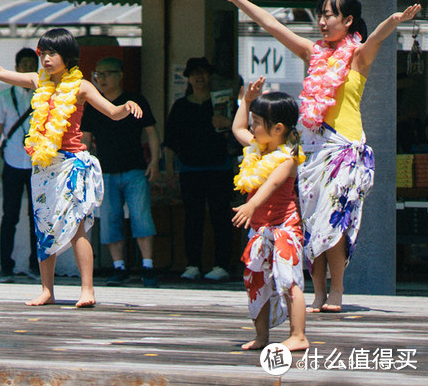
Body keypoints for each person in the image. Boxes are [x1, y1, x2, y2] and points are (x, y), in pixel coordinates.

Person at [210, 0, 419, 312]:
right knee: (312, 223)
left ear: (348, 21)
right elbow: (272, 24)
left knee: (332, 221)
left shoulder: (357, 57)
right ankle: (318, 292)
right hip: (312, 150)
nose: (322, 22)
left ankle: (336, 291)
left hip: (344, 150)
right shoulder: (312, 52)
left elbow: (376, 37)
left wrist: (394, 21)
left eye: (330, 15)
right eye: (320, 14)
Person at [0, 27, 142, 308]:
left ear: (67, 56)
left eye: (52, 53)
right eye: (43, 53)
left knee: (76, 227)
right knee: (44, 227)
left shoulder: (82, 86)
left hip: (71, 163)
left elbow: (112, 112)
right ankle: (47, 289)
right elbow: (0, 72)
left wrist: (128, 106)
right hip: (43, 164)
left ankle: (87, 289)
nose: (46, 59)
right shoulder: (38, 82)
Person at [231, 77, 309, 352]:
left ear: (277, 129)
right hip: (260, 230)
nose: (251, 128)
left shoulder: (287, 159)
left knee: (289, 281)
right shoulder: (257, 148)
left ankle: (298, 335)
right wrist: (247, 100)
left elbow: (272, 184)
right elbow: (236, 127)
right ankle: (262, 336)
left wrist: (251, 206)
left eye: (257, 123)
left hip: (284, 228)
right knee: (257, 281)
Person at [81, 56, 161, 287]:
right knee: (110, 220)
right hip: (105, 172)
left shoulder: (135, 101)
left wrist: (154, 161)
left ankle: (148, 266)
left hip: (135, 169)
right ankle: (119, 267)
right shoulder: (94, 104)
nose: (101, 79)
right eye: (98, 74)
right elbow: (86, 139)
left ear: (120, 75)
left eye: (106, 74)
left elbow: (151, 133)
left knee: (141, 217)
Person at [164, 57, 235, 282]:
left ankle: (222, 264)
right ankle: (192, 264)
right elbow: (170, 142)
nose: (199, 77)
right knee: (192, 218)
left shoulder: (224, 103)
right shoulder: (180, 106)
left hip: (220, 167)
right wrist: (169, 170)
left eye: (203, 72)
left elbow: (242, 132)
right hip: (189, 169)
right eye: (194, 73)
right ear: (188, 77)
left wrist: (227, 123)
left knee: (220, 217)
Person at [0, 47, 40, 283]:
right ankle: (5, 266)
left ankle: (36, 265)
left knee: (37, 216)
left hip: (38, 163)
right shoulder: (4, 96)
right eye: (25, 64)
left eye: (33, 64)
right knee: (10, 216)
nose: (29, 69)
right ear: (17, 67)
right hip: (12, 160)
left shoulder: (44, 95)